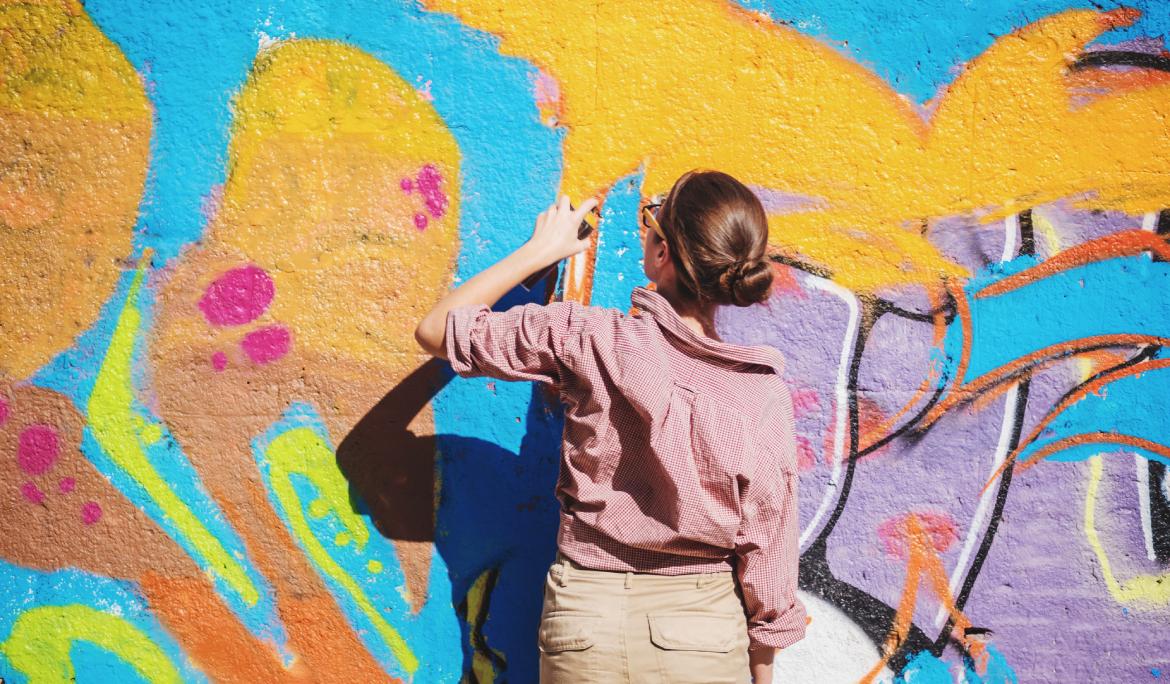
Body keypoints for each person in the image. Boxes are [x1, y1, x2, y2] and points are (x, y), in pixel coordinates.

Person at [414, 169, 807, 683]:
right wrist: (762, 672)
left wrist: (540, 251)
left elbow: (435, 329)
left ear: (661, 252)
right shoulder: (758, 391)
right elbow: (768, 547)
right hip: (702, 634)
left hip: (585, 624)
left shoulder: (588, 338)